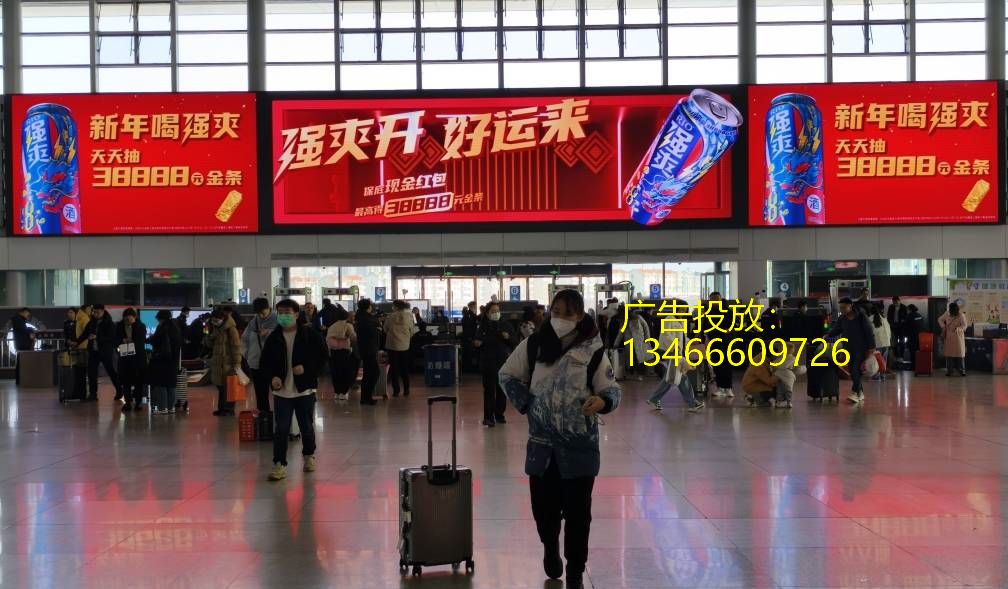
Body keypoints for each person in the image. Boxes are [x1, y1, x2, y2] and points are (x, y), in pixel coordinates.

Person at [498, 289, 621, 589]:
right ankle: (550, 547)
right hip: (542, 449)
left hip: (579, 448)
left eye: (567, 313)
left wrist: (602, 401)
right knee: (544, 511)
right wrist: (529, 405)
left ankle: (575, 570)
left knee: (579, 515)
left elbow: (611, 389)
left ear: (579, 315)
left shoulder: (593, 349)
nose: (560, 318)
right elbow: (507, 375)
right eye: (555, 312)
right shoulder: (534, 344)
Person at [262, 299, 327, 481]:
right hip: (282, 392)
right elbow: (265, 363)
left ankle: (309, 456)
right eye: (280, 313)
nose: (283, 316)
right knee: (281, 429)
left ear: (296, 314)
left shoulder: (309, 334)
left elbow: (322, 357)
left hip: (304, 390)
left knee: (306, 426)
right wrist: (273, 377)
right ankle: (279, 464)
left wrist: (307, 369)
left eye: (287, 312)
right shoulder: (274, 338)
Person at [475, 300, 516, 427]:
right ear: (487, 313)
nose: (496, 313)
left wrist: (508, 337)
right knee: (489, 390)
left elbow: (514, 342)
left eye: (497, 311)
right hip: (488, 363)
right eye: (493, 311)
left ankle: (499, 415)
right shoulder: (482, 326)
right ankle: (488, 417)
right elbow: (476, 342)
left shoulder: (506, 325)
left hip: (502, 362)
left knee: (501, 390)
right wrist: (477, 343)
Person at [828, 297, 876, 404]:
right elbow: (837, 330)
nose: (842, 310)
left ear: (850, 306)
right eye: (841, 308)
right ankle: (860, 393)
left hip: (861, 348)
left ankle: (855, 392)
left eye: (844, 307)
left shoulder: (861, 317)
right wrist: (828, 335)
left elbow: (869, 332)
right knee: (852, 371)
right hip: (848, 348)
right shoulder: (842, 318)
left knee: (855, 370)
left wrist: (871, 347)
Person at [646, 328, 704, 413]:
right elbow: (666, 335)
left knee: (672, 376)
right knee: (678, 376)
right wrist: (676, 346)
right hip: (672, 350)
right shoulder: (669, 321)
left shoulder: (679, 321)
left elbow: (681, 336)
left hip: (676, 350)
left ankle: (654, 399)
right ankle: (692, 403)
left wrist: (689, 342)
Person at [241, 297, 278, 414]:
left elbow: (284, 338)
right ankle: (264, 415)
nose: (261, 316)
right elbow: (244, 340)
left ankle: (281, 416)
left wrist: (269, 332)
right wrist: (247, 355)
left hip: (274, 364)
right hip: (256, 363)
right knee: (260, 393)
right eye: (258, 313)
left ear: (269, 308)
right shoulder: (253, 322)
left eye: (263, 313)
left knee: (278, 392)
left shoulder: (278, 320)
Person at [205, 307, 242, 416]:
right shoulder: (215, 329)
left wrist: (237, 364)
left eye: (216, 320)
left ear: (222, 318)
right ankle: (222, 408)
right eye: (213, 320)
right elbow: (209, 345)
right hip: (218, 363)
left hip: (228, 364)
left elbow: (236, 348)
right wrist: (208, 334)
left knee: (229, 387)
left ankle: (229, 409)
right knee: (221, 387)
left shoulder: (231, 329)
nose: (214, 322)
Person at [148, 310, 182, 414]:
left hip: (162, 359)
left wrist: (150, 338)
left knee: (161, 384)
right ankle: (171, 408)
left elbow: (156, 341)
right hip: (173, 360)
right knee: (171, 384)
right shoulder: (175, 328)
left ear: (161, 318)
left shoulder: (162, 328)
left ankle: (162, 408)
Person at [86, 304, 122, 402]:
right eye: (94, 312)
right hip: (94, 352)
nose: (95, 314)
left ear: (103, 311)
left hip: (105, 352)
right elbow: (85, 333)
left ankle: (119, 390)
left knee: (111, 371)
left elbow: (111, 338)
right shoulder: (92, 322)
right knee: (92, 373)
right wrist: (76, 342)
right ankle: (93, 394)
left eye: (98, 312)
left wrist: (97, 337)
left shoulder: (109, 323)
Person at [116, 308, 147, 413]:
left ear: (135, 318)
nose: (128, 321)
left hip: (138, 358)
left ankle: (138, 402)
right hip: (124, 358)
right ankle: (128, 402)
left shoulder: (141, 326)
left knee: (138, 382)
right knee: (126, 382)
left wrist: (130, 343)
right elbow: (115, 340)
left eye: (130, 319)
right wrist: (123, 341)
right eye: (126, 319)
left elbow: (140, 342)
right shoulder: (119, 326)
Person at [704, 292, 734, 398]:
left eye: (716, 299)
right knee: (717, 365)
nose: (714, 301)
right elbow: (706, 327)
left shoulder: (728, 312)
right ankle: (720, 387)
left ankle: (728, 388)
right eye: (712, 300)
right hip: (714, 342)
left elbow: (732, 326)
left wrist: (728, 331)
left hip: (726, 342)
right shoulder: (709, 312)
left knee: (727, 365)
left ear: (720, 299)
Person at [384, 300, 416, 398]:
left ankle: (396, 391)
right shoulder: (409, 316)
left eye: (393, 306)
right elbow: (412, 331)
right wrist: (406, 338)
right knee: (404, 368)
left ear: (396, 307)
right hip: (404, 346)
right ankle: (406, 389)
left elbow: (385, 329)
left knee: (394, 369)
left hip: (392, 345)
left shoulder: (390, 316)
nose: (392, 307)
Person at [326, 306, 358, 401]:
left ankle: (337, 392)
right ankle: (343, 393)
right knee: (345, 372)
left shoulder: (332, 326)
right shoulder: (348, 325)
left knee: (335, 372)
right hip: (344, 352)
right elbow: (353, 338)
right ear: (346, 316)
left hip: (333, 352)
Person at [355, 299, 381, 406]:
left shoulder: (360, 316)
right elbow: (372, 331)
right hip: (369, 349)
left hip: (365, 348)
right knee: (374, 372)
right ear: (368, 307)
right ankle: (367, 397)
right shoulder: (367, 318)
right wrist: (377, 326)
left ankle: (365, 398)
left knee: (368, 373)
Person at [938, 303, 968, 377]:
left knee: (960, 354)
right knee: (949, 355)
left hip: (958, 337)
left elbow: (964, 325)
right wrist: (943, 327)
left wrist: (958, 329)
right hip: (949, 337)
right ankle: (949, 371)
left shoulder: (961, 315)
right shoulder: (947, 313)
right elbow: (940, 319)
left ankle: (962, 371)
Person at [73, 304, 94, 401]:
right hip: (85, 347)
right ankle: (85, 393)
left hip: (80, 347)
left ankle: (81, 393)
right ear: (85, 309)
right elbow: (88, 333)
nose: (91, 311)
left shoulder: (78, 317)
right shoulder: (85, 318)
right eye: (89, 309)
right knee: (86, 371)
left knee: (80, 371)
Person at [10, 308, 36, 386]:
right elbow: (22, 330)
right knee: (22, 363)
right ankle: (21, 379)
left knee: (21, 362)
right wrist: (31, 330)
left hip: (21, 344)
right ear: (24, 312)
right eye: (27, 314)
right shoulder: (18, 319)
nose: (28, 316)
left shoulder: (19, 319)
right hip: (22, 344)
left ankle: (20, 379)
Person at [871, 305, 892, 381]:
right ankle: (883, 376)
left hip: (877, 343)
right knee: (883, 360)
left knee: (876, 360)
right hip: (886, 342)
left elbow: (870, 332)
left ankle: (876, 375)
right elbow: (889, 330)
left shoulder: (870, 319)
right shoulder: (884, 318)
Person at [903, 304, 924, 368]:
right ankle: (919, 365)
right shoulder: (919, 315)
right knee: (918, 351)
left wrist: (904, 335)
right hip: (920, 337)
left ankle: (913, 366)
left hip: (912, 337)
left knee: (912, 352)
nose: (907, 311)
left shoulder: (909, 316)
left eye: (907, 309)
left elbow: (906, 327)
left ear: (910, 309)